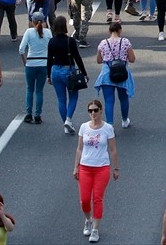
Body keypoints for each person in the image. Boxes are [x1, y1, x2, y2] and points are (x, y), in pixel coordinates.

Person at [74, 98, 119, 243]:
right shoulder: (83, 127)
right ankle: (88, 220)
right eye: (90, 111)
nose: (93, 113)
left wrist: (115, 168)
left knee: (97, 198)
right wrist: (76, 167)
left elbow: (112, 149)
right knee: (85, 200)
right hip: (85, 167)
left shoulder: (107, 128)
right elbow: (80, 148)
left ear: (101, 111)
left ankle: (95, 229)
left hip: (102, 168)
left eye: (95, 110)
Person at [93, 22, 135, 127]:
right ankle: (125, 120)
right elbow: (132, 59)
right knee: (123, 98)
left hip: (107, 73)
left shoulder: (103, 43)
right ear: (120, 30)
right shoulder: (125, 42)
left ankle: (110, 124)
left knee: (109, 100)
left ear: (109, 31)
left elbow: (98, 60)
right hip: (122, 73)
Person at [18, 12, 52, 124]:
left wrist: (25, 62)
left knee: (29, 89)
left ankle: (29, 114)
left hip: (31, 64)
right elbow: (51, 49)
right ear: (43, 21)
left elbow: (21, 49)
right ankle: (38, 115)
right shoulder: (48, 32)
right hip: (43, 64)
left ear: (32, 22)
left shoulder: (29, 32)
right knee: (39, 91)